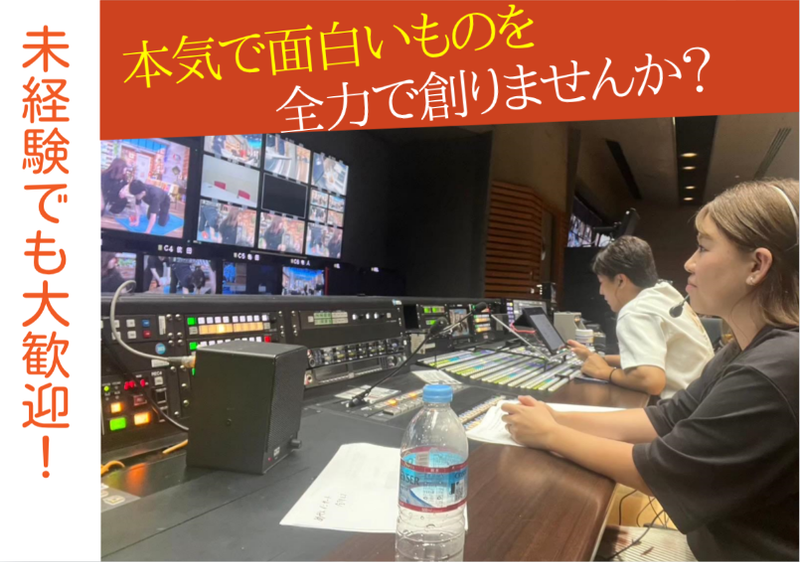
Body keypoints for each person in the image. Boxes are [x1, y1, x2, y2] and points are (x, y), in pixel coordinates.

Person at [501, 179, 799, 561]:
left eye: (704, 247)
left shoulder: (775, 370)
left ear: (756, 265)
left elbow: (659, 470)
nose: (689, 263)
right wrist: (554, 415)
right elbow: (666, 417)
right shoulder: (745, 349)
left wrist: (550, 434)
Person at [567, 236, 714, 398]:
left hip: (681, 409)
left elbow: (651, 381)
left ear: (620, 280)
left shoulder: (635, 310)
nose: (601, 292)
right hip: (702, 400)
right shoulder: (665, 295)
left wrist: (604, 371)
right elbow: (651, 360)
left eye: (601, 282)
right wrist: (600, 359)